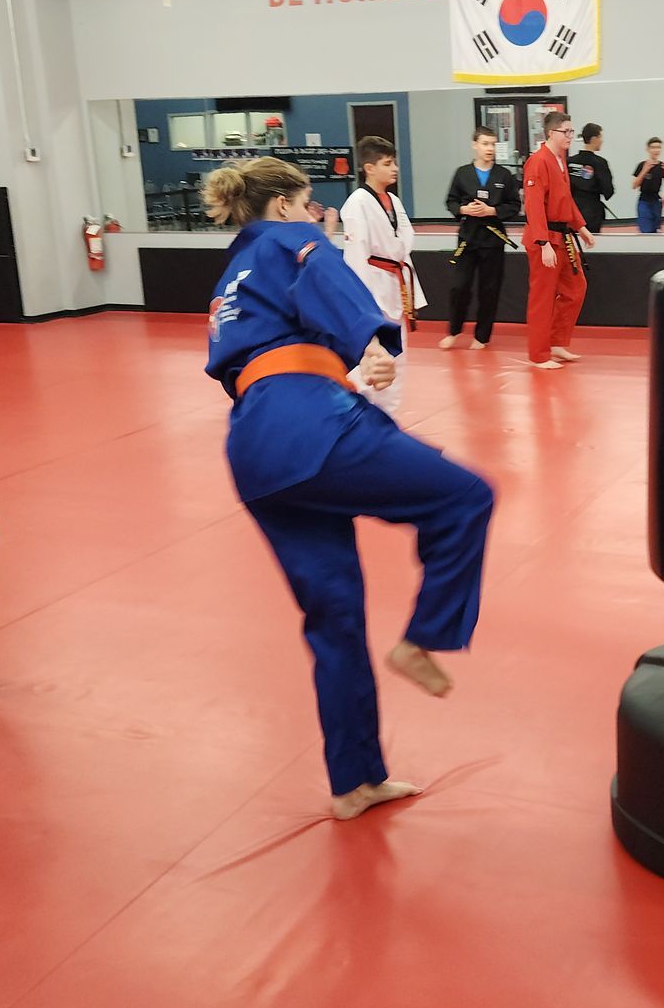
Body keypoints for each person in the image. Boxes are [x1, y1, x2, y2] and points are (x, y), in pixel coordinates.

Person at [200, 157, 495, 821]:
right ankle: (426, 635)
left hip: (253, 446)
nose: (318, 217)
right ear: (282, 206)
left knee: (333, 619)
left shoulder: (233, 273)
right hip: (309, 423)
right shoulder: (287, 238)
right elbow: (327, 275)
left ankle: (354, 780)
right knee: (465, 496)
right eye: (310, 206)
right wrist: (372, 340)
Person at [339, 136, 419, 411]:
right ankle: (358, 414)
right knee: (370, 354)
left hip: (395, 282)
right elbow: (356, 254)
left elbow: (406, 237)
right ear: (369, 168)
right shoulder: (357, 203)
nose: (394, 168)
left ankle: (389, 415)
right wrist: (359, 299)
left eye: (394, 162)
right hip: (371, 285)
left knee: (398, 354)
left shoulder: (393, 201)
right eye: (387, 163)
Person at [522, 111, 596, 369]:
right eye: (566, 132)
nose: (570, 137)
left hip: (563, 235)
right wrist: (542, 243)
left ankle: (557, 342)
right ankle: (539, 354)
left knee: (576, 288)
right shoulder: (538, 161)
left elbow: (565, 199)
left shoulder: (560, 160)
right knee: (542, 297)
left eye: (572, 132)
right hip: (545, 238)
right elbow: (533, 205)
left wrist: (581, 227)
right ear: (551, 133)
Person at [443, 127, 521, 350]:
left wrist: (492, 211)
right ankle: (454, 331)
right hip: (468, 239)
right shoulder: (462, 173)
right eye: (485, 144)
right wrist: (464, 209)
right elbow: (451, 202)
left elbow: (514, 206)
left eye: (493, 144)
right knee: (459, 287)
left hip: (493, 240)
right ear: (474, 145)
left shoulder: (504, 176)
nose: (489, 149)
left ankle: (482, 336)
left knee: (489, 289)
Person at [568, 122, 615, 235]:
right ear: (594, 138)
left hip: (572, 211)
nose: (602, 141)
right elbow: (608, 191)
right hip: (592, 213)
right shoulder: (600, 163)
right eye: (600, 137)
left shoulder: (569, 161)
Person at [632, 138, 664, 234]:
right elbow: (634, 185)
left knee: (656, 229)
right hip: (644, 200)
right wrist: (644, 170)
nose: (656, 150)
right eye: (653, 147)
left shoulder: (662, 166)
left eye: (658, 147)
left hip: (656, 200)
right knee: (645, 229)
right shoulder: (642, 165)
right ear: (648, 149)